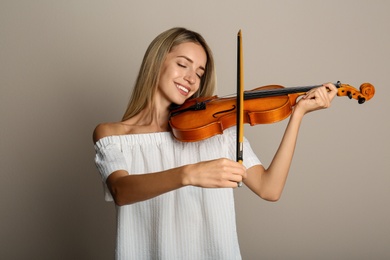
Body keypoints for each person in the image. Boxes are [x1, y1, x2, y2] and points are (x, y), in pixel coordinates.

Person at [93, 27, 337, 260]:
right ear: (156, 62)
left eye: (199, 73)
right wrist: (190, 173)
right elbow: (121, 191)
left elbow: (269, 189)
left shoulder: (216, 130)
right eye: (182, 65)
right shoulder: (113, 135)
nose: (191, 79)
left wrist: (298, 114)